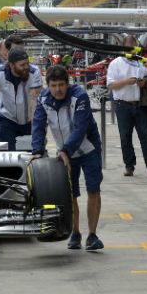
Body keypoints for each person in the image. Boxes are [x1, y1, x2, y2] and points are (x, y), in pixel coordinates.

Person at [31, 66, 104, 251]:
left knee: (93, 189)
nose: (58, 89)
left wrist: (65, 149)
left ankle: (92, 235)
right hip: (66, 154)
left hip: (88, 150)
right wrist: (37, 151)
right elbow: (38, 125)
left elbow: (80, 128)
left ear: (67, 83)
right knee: (70, 194)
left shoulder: (79, 96)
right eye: (53, 85)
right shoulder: (43, 99)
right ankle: (75, 233)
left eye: (61, 85)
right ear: (48, 85)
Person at [106, 35, 147, 177]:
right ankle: (129, 166)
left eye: (133, 46)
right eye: (128, 47)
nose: (131, 50)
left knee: (145, 137)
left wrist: (145, 83)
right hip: (123, 105)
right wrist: (125, 81)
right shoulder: (115, 63)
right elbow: (111, 85)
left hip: (141, 105)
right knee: (125, 137)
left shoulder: (143, 62)